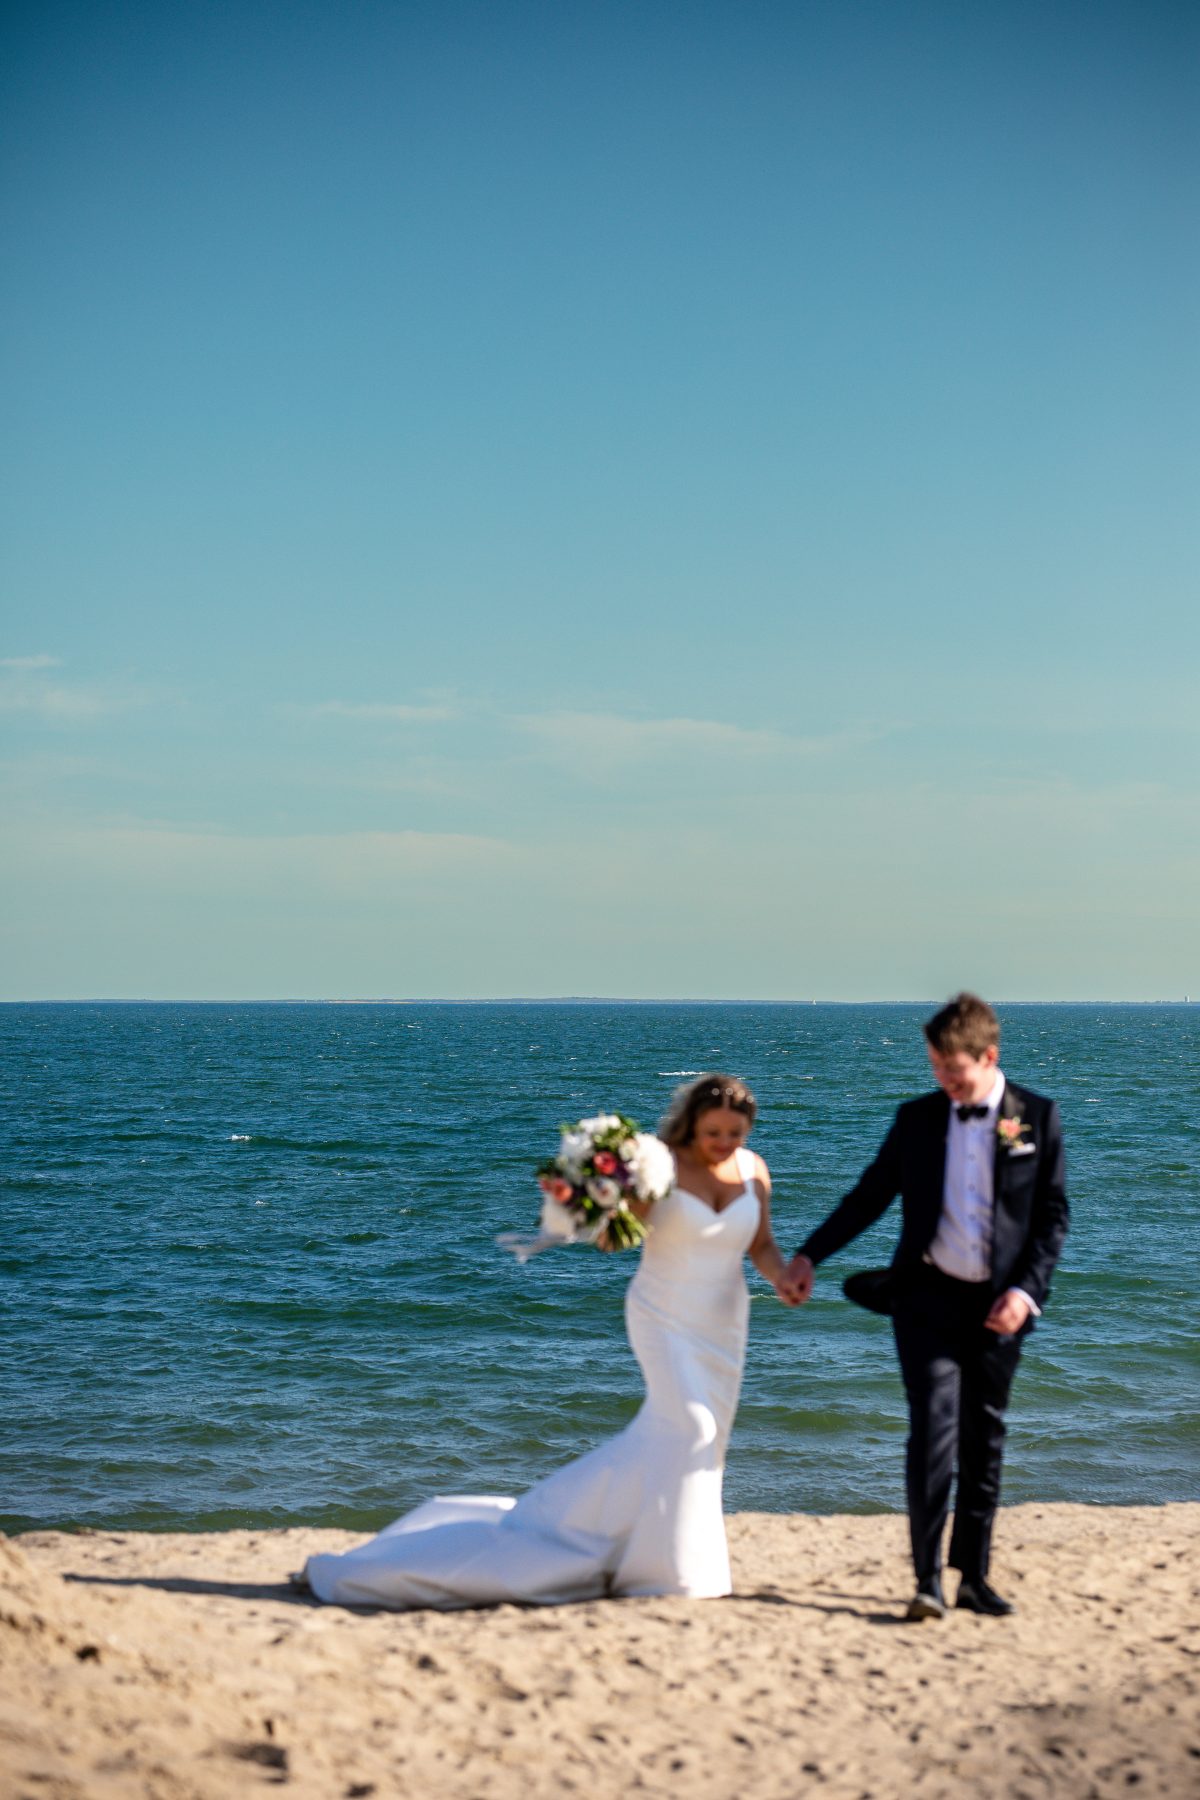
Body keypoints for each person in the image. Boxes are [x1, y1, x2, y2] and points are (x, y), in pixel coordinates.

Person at [298, 1073, 803, 1609]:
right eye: (714, 1132)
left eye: (736, 1133)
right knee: (689, 1426)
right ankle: (673, 1570)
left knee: (691, 1441)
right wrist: (589, 1203)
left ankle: (646, 1551)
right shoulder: (661, 1165)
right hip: (664, 1314)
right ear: (691, 1124)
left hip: (725, 1323)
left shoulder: (754, 1171)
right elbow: (616, 1240)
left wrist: (784, 1278)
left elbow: (763, 1244)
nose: (725, 1144)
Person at [786, 994, 1068, 1622]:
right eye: (936, 1067)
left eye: (954, 1069)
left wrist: (1025, 1294)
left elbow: (1052, 1219)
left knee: (984, 1438)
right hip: (926, 1300)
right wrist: (809, 1257)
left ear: (989, 1057)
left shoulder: (1037, 1118)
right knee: (933, 1434)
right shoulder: (917, 1119)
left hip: (1000, 1308)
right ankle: (926, 1581)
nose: (943, 1079)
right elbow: (868, 1198)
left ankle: (974, 1575)